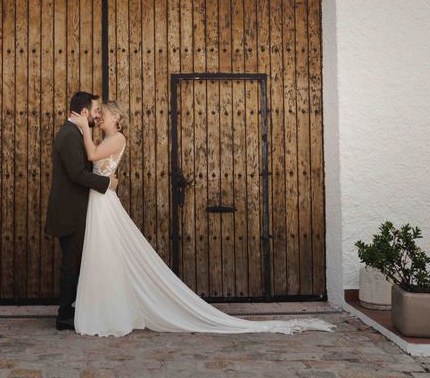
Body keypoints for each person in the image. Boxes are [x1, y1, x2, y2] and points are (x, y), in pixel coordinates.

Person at [68, 100, 336, 337]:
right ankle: (108, 310)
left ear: (116, 117)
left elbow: (92, 156)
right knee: (103, 256)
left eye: (103, 113)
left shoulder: (117, 138)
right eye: (98, 113)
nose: (99, 116)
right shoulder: (103, 138)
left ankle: (110, 314)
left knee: (107, 254)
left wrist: (83, 128)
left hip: (104, 203)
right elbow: (97, 165)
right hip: (99, 200)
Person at [44, 91, 119, 331]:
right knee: (71, 263)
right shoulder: (68, 135)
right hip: (70, 212)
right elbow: (77, 173)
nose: (98, 115)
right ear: (84, 112)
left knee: (75, 261)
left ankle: (74, 307)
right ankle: (64, 315)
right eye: (96, 110)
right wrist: (107, 184)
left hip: (77, 211)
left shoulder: (75, 133)